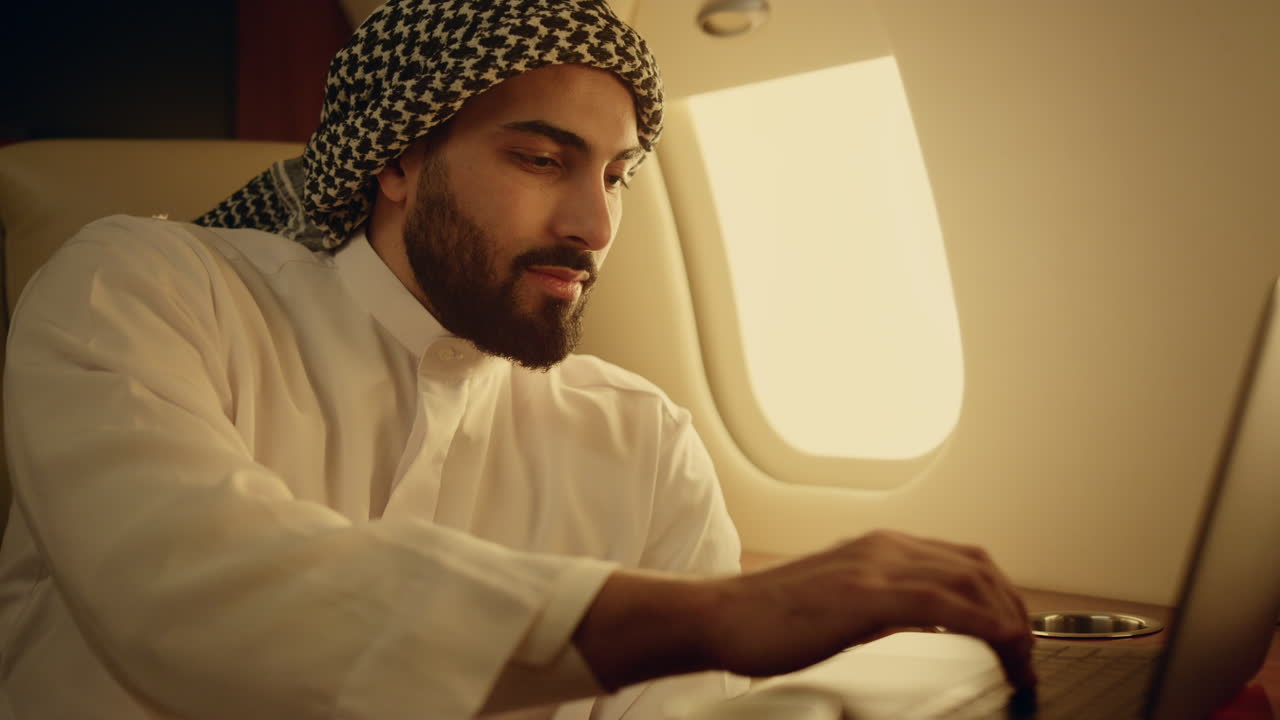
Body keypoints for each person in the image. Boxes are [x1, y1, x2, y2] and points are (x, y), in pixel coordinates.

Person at [0, 0, 1035, 718]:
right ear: (396, 157)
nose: (593, 222)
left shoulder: (640, 443)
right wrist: (727, 614)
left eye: (618, 175)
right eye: (542, 160)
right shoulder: (141, 290)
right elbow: (189, 594)